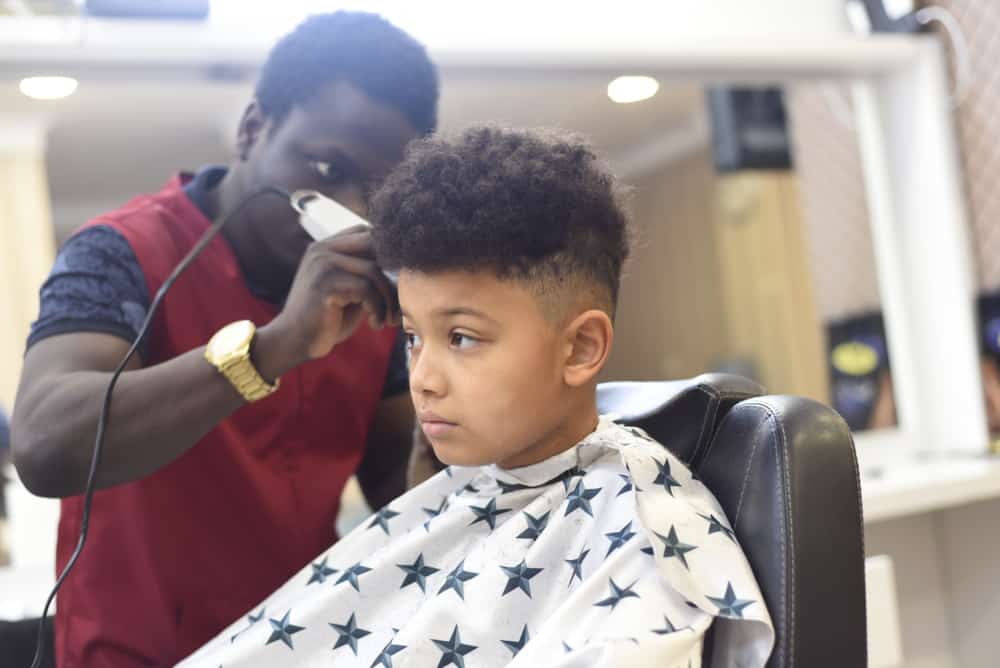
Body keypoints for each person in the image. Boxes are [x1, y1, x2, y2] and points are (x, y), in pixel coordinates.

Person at [179, 126, 774, 667]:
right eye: (413, 337)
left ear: (580, 348)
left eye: (462, 338)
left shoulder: (643, 536)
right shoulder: (474, 487)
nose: (423, 378)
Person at [10, 11, 438, 666]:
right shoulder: (120, 252)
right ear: (252, 128)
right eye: (326, 166)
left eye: (378, 191)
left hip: (293, 648)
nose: (351, 209)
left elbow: (390, 476)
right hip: (130, 652)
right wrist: (275, 346)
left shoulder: (374, 288)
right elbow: (45, 447)